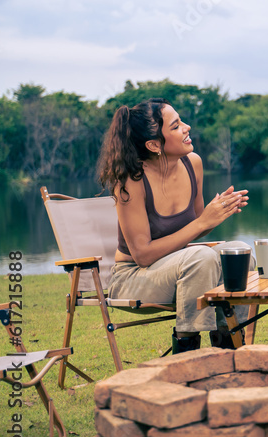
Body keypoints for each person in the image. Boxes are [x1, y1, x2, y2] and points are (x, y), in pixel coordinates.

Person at [98, 98, 250, 354]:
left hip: (182, 267)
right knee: (200, 257)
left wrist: (214, 216)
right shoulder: (131, 181)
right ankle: (187, 353)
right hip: (133, 276)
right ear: (154, 144)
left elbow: (196, 229)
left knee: (237, 251)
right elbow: (142, 255)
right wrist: (202, 222)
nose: (187, 127)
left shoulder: (193, 164)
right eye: (177, 125)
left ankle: (229, 344)